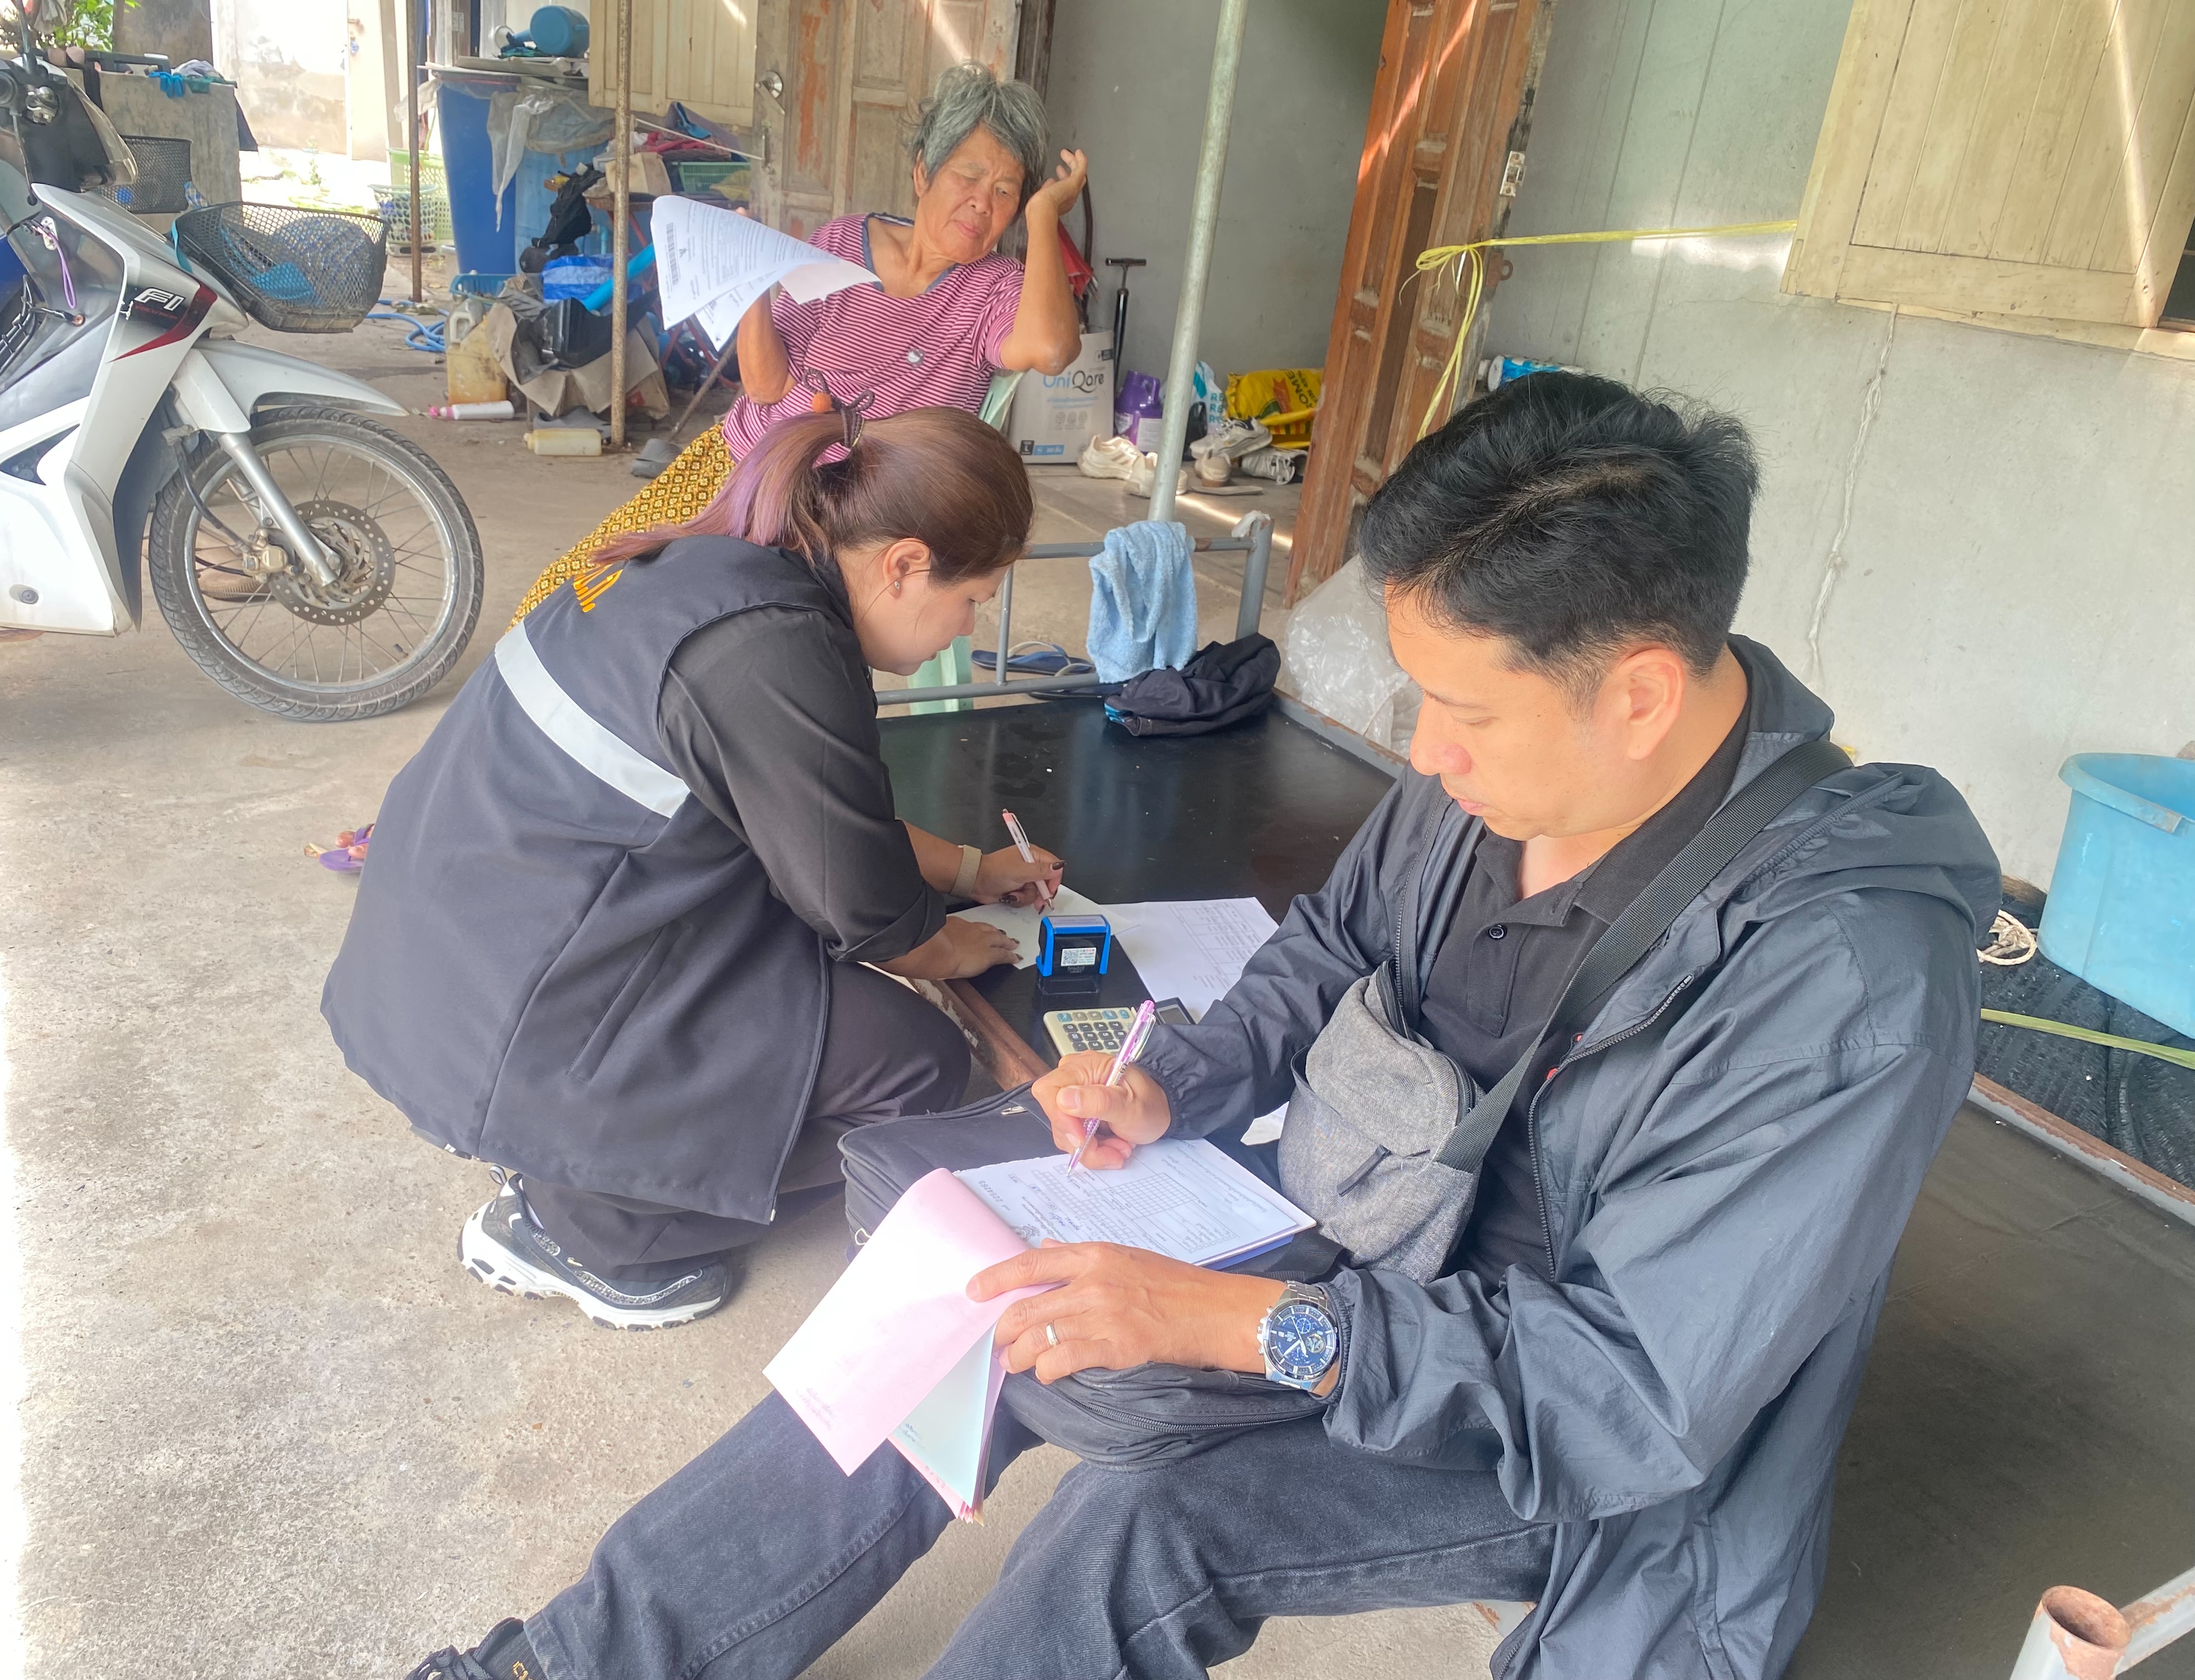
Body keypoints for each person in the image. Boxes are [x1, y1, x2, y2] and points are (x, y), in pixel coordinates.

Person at [405, 375, 2000, 1680]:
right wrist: (1178, 1079)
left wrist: (1244, 1326)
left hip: (1560, 1428)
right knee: (964, 1296)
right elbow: (1335, 953)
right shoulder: (1497, 782)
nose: (1426, 756)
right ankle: (562, 1667)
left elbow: (1631, 1396)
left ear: (1638, 695)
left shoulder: (1843, 981)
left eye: (1464, 713)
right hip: (1367, 1238)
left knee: (1148, 1522)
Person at [324, 406, 1064, 1331]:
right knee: (915, 1069)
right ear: (905, 564)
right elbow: (869, 912)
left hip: (453, 963)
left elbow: (805, 811)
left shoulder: (719, 567)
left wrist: (968, 869)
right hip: (515, 1012)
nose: (968, 625)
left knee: (800, 968)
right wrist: (958, 949)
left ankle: (573, 1153)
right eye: (975, 598)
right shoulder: (775, 647)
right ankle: (588, 1226)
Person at [509, 61, 1087, 623]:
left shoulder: (994, 289)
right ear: (923, 173)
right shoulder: (842, 241)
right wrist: (753, 279)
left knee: (701, 625)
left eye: (1006, 191)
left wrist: (1043, 216)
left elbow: (1053, 350)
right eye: (968, 176)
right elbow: (766, 387)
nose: (983, 202)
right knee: (569, 595)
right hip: (744, 465)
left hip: (844, 526)